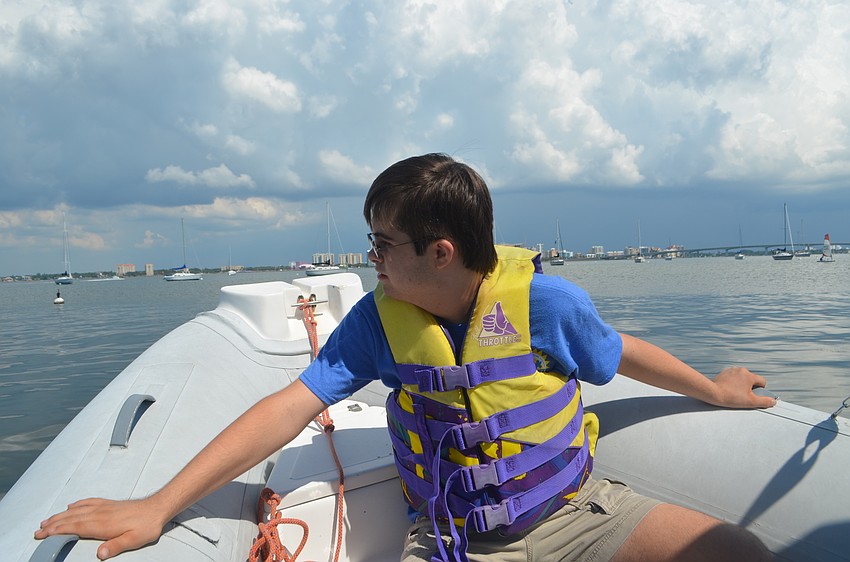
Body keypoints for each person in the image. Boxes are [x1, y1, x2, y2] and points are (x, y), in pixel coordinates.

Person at [36, 153, 775, 562]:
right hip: (454, 541)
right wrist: (158, 505)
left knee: (736, 552)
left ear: (440, 251)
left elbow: (621, 355)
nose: (372, 261)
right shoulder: (378, 323)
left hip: (577, 513)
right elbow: (286, 409)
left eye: (383, 245)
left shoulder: (546, 305)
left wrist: (715, 391)